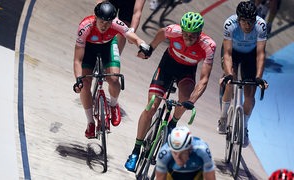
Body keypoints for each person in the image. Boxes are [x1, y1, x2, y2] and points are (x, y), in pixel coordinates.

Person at [125, 12, 216, 171]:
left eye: (193, 36)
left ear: (199, 34)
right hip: (167, 66)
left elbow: (204, 80)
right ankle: (135, 151)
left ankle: (172, 123)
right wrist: (151, 48)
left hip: (187, 72)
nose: (188, 38)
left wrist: (191, 101)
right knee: (151, 107)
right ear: (181, 30)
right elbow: (161, 33)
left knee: (185, 99)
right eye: (186, 34)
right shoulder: (173, 31)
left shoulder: (208, 46)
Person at [73, 1, 151, 138]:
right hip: (89, 50)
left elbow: (129, 34)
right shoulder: (85, 27)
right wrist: (78, 79)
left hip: (108, 46)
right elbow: (77, 60)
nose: (105, 25)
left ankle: (114, 105)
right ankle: (90, 122)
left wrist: (141, 43)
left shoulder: (115, 23)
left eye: (108, 23)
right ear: (95, 18)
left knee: (114, 79)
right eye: (102, 22)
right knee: (85, 84)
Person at [217, 1, 268, 148]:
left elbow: (260, 54)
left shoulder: (261, 26)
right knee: (229, 80)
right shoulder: (229, 24)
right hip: (233, 53)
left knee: (250, 96)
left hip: (250, 56)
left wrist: (258, 77)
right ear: (238, 19)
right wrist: (228, 74)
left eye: (251, 21)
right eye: (244, 21)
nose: (248, 25)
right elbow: (227, 53)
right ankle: (223, 117)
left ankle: (244, 127)